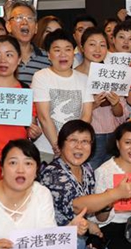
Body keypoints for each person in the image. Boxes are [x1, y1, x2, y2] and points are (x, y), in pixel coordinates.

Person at [39, 120, 110, 249]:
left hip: (78, 232)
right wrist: (112, 195)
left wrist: (106, 205)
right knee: (75, 243)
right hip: (50, 240)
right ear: (61, 144)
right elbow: (76, 207)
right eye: (73, 140)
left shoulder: (87, 169)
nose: (79, 146)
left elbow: (95, 214)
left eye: (85, 141)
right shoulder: (52, 172)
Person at [32, 29, 93, 161]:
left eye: (68, 49)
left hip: (76, 151)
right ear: (48, 54)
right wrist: (58, 147)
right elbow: (44, 117)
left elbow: (86, 116)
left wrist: (73, 147)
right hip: (47, 150)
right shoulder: (41, 76)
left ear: (74, 52)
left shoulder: (84, 79)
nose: (63, 54)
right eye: (57, 50)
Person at [74, 28, 130, 170]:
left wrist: (115, 103)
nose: (97, 49)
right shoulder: (73, 76)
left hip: (113, 136)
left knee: (111, 177)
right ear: (82, 47)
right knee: (89, 175)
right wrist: (92, 106)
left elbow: (121, 114)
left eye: (102, 45)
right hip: (89, 138)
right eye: (92, 44)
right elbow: (70, 115)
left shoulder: (112, 74)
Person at [0, 35, 42, 181]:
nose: (3, 60)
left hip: (15, 160)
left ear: (19, 59)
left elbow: (29, 126)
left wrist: (32, 132)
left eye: (9, 55)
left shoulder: (25, 91)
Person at [5, 2, 50, 85]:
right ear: (8, 26)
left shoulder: (48, 59)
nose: (25, 22)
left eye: (29, 18)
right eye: (19, 18)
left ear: (36, 27)